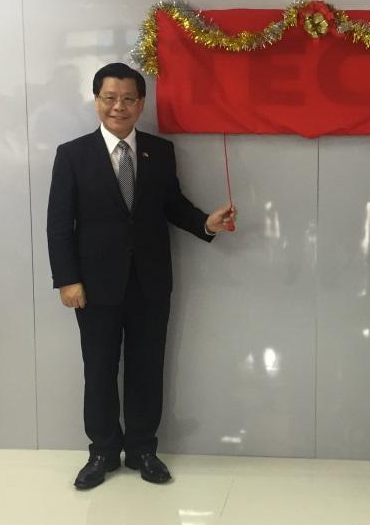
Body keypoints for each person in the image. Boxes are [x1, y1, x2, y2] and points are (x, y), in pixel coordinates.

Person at [47, 62, 235, 490]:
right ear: (96, 101)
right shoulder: (72, 155)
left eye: (128, 98)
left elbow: (172, 205)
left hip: (150, 282)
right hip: (93, 286)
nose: (119, 107)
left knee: (147, 367)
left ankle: (143, 449)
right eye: (110, 98)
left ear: (141, 103)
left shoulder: (159, 150)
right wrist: (67, 279)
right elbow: (59, 223)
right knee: (98, 369)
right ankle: (102, 452)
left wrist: (207, 223)